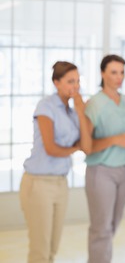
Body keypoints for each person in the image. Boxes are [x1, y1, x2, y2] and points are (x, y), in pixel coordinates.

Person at [19, 61, 92, 263]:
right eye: (70, 81)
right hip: (38, 183)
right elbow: (51, 148)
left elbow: (87, 146)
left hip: (61, 183)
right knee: (40, 251)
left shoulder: (73, 111)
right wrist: (74, 148)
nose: (75, 86)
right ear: (56, 83)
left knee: (52, 248)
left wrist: (80, 112)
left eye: (77, 81)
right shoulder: (46, 106)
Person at [84, 54, 125, 263]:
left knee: (113, 226)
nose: (119, 77)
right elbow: (88, 147)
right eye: (113, 72)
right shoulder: (94, 103)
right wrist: (115, 139)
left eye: (122, 72)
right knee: (101, 230)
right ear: (102, 74)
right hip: (101, 171)